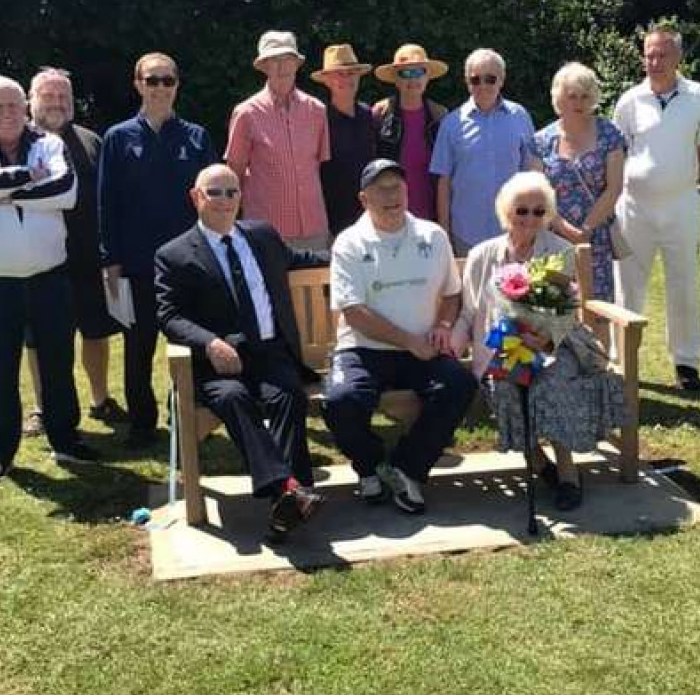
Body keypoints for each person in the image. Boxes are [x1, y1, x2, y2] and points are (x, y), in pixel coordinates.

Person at [155, 164, 326, 537]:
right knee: (234, 399)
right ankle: (291, 492)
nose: (225, 200)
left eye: (232, 192)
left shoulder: (262, 236)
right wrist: (209, 342)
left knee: (288, 397)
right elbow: (168, 315)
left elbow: (301, 261)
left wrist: (348, 255)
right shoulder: (174, 255)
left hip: (270, 354)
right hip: (217, 366)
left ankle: (287, 499)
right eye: (215, 192)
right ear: (196, 197)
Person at [0, 76, 98, 482]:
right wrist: (29, 178)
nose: (7, 114)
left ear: (25, 107)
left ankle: (65, 438)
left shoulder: (50, 144)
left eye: (14, 105)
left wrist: (0, 196)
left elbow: (66, 190)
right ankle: (2, 450)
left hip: (50, 279)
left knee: (57, 366)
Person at [451, 172, 626, 511]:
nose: (530, 218)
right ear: (506, 213)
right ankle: (539, 464)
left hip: (553, 345)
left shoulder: (559, 252)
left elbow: (565, 311)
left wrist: (542, 337)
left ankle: (567, 474)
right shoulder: (482, 255)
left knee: (552, 380)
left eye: (538, 210)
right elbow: (470, 311)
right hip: (500, 349)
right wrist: (454, 343)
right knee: (505, 387)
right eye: (522, 211)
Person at [322, 159, 477, 514]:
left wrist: (441, 325)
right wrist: (410, 341)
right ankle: (371, 465)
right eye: (381, 189)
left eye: (398, 187)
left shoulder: (433, 235)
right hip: (364, 348)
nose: (392, 195)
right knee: (340, 401)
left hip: (422, 346)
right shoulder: (348, 242)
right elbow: (353, 312)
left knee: (459, 385)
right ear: (364, 198)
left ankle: (407, 468)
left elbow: (452, 293)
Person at [98, 51, 215, 448]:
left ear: (177, 84)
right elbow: (106, 202)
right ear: (138, 84)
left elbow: (212, 201)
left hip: (190, 263)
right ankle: (143, 423)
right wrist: (109, 259)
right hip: (136, 262)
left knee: (192, 344)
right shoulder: (117, 138)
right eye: (153, 80)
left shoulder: (196, 137)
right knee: (139, 346)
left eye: (168, 80)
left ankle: (186, 416)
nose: (161, 87)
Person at [612, 24, 700, 391]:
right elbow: (618, 151)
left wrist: (681, 178)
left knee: (684, 283)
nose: (655, 62)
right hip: (634, 208)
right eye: (649, 55)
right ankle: (623, 362)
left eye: (662, 54)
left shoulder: (699, 96)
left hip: (680, 206)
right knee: (628, 285)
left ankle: (686, 364)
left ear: (678, 57)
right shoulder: (629, 100)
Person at [22, 67, 125, 437]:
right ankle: (40, 408)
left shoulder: (91, 141)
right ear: (31, 101)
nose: (57, 104)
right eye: (48, 96)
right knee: (39, 339)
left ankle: (101, 400)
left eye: (63, 97)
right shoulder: (19, 142)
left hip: (87, 257)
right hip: (37, 260)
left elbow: (108, 201)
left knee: (95, 333)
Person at [529, 61, 625, 300]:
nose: (579, 103)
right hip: (551, 235)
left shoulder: (609, 134)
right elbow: (539, 194)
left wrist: (585, 230)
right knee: (552, 308)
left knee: (597, 308)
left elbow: (614, 188)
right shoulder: (541, 141)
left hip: (595, 237)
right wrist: (564, 228)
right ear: (559, 99)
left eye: (585, 96)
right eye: (572, 96)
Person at [226, 31, 331, 249]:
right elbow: (234, 172)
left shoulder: (317, 110)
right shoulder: (246, 113)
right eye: (274, 60)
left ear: (297, 63)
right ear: (264, 66)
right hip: (266, 232)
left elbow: (316, 167)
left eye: (287, 59)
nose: (282, 66)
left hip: (314, 228)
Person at [430, 48, 535, 255]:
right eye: (475, 79)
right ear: (467, 82)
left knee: (516, 287)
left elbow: (532, 173)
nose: (483, 86)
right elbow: (444, 183)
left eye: (490, 79)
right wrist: (444, 232)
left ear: (502, 80)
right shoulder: (451, 124)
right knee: (470, 289)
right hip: (466, 234)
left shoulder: (520, 116)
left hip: (515, 230)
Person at [372, 44, 448, 221]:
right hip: (390, 214)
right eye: (405, 73)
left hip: (431, 215)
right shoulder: (380, 113)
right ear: (396, 80)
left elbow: (446, 176)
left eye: (418, 72)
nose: (412, 79)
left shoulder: (441, 116)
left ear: (428, 76)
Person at [312, 43, 377, 236]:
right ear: (326, 80)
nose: (346, 78)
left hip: (369, 216)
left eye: (352, 72)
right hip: (332, 218)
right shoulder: (318, 119)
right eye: (339, 73)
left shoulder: (369, 115)